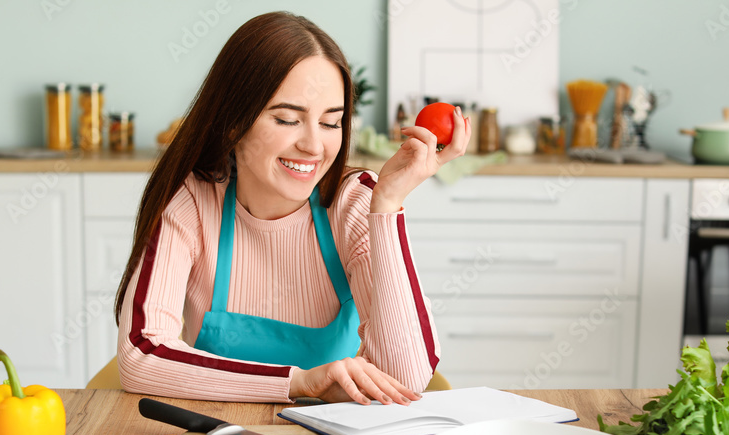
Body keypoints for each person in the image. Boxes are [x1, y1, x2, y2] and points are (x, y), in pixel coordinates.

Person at [114, 11, 470, 405]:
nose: (314, 147)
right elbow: (141, 355)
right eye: (288, 119)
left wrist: (386, 206)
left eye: (331, 123)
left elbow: (407, 376)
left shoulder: (354, 204)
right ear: (232, 123)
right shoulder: (193, 201)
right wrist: (296, 383)